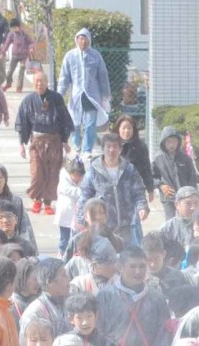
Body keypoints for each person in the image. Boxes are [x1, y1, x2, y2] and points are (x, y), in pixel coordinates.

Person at [95, 246, 170, 346]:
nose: (138, 271)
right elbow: (98, 332)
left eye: (142, 266)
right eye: (132, 266)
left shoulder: (157, 298)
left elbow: (164, 334)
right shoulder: (105, 296)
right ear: (121, 267)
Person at [15, 70, 72, 214]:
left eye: (42, 81)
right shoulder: (28, 101)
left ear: (47, 83)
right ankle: (36, 199)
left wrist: (65, 140)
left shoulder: (56, 98)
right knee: (37, 173)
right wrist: (21, 143)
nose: (39, 84)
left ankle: (47, 202)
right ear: (33, 83)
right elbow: (22, 122)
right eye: (36, 81)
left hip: (54, 141)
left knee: (52, 173)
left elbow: (65, 119)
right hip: (36, 142)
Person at [82, 133, 149, 246]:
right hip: (102, 228)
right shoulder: (93, 170)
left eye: (115, 146)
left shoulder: (129, 169)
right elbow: (85, 196)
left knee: (131, 259)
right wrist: (82, 220)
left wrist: (142, 207)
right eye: (108, 146)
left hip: (127, 226)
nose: (111, 150)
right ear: (103, 148)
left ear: (120, 149)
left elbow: (138, 192)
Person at [58, 27, 110, 156]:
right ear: (77, 40)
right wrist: (59, 96)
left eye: (85, 39)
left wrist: (105, 96)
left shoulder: (95, 56)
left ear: (89, 40)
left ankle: (87, 149)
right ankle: (76, 144)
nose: (83, 42)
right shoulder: (70, 56)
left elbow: (103, 77)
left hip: (92, 96)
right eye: (80, 39)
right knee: (74, 122)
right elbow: (64, 77)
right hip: (76, 96)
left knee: (90, 123)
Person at [151, 124, 199, 219]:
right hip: (168, 199)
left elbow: (192, 179)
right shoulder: (158, 158)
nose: (171, 144)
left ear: (178, 142)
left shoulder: (185, 159)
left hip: (185, 199)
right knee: (171, 223)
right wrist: (161, 186)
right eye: (168, 142)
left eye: (174, 141)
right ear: (163, 142)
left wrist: (193, 197)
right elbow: (151, 177)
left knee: (186, 222)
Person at [3, 17, 33, 91]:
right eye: (13, 28)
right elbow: (6, 44)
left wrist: (31, 48)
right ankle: (8, 83)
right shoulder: (11, 35)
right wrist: (3, 52)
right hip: (15, 56)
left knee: (21, 71)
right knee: (10, 71)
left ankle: (19, 87)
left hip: (24, 56)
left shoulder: (25, 34)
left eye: (15, 27)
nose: (14, 29)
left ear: (19, 26)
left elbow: (31, 42)